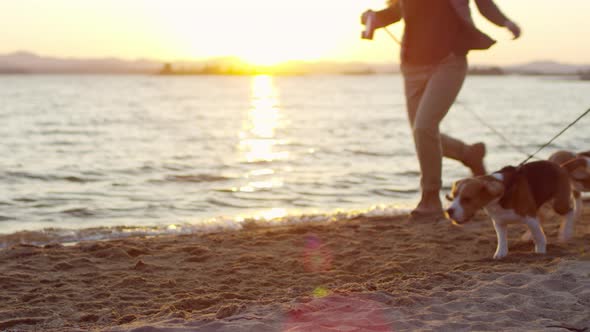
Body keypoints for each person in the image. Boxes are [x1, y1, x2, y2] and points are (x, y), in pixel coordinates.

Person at [361, 0, 521, 222]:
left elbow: (484, 3)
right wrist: (374, 18)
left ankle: (430, 199)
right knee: (422, 133)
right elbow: (397, 10)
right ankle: (469, 154)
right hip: (411, 66)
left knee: (424, 127)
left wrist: (505, 22)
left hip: (449, 61)